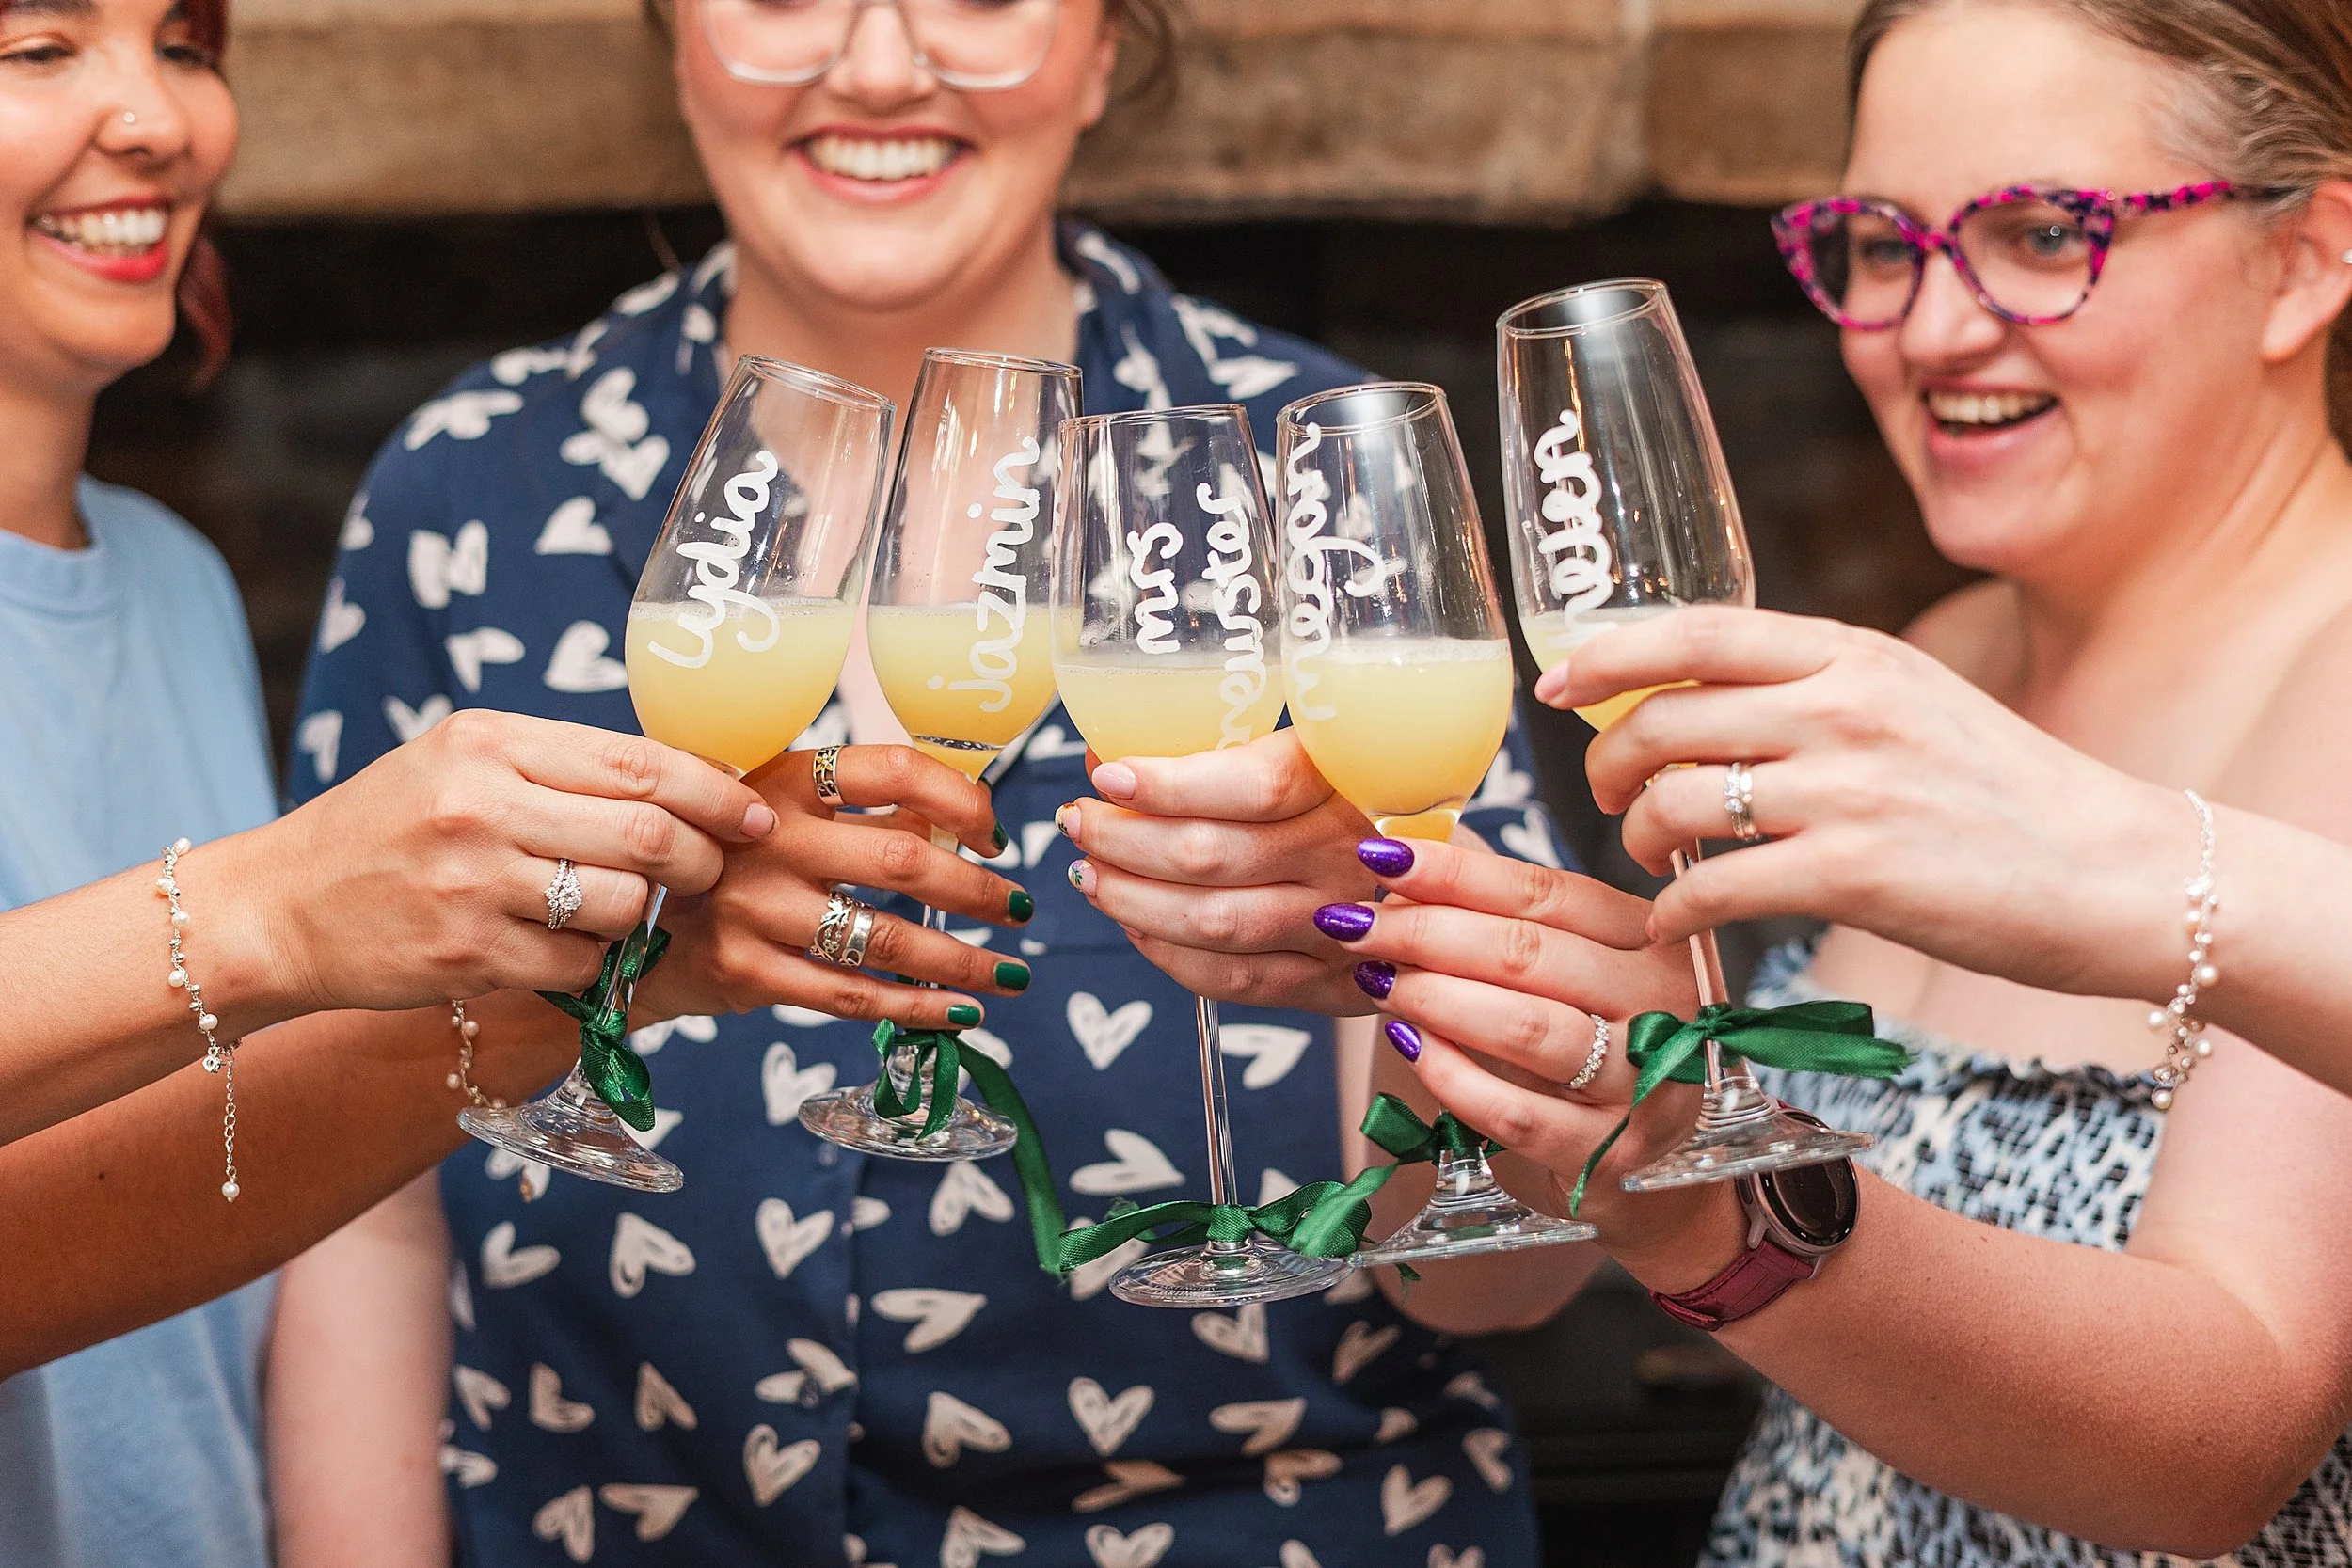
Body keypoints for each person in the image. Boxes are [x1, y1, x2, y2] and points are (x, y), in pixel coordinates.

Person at [280, 3, 1580, 1566]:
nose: (881, 65)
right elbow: (354, 1189)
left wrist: (1393, 942)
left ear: (1103, 45)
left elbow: (1500, 1277)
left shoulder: (1324, 473)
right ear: (673, 37)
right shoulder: (470, 490)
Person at [1295, 0, 2352, 1561]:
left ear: (2311, 257)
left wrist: (1719, 1219)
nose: (1927, 328)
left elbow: (2223, 1446)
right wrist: (1454, 1011)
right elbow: (1469, 1282)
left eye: (2046, 230)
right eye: (1877, 241)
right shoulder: (1941, 658)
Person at [0, 1, 1030, 1562]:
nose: (156, 117)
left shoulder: (178, 588)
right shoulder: (463, 478)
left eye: (187, 40)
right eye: (34, 47)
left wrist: (621, 973)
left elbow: (134, 1210)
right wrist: (273, 910)